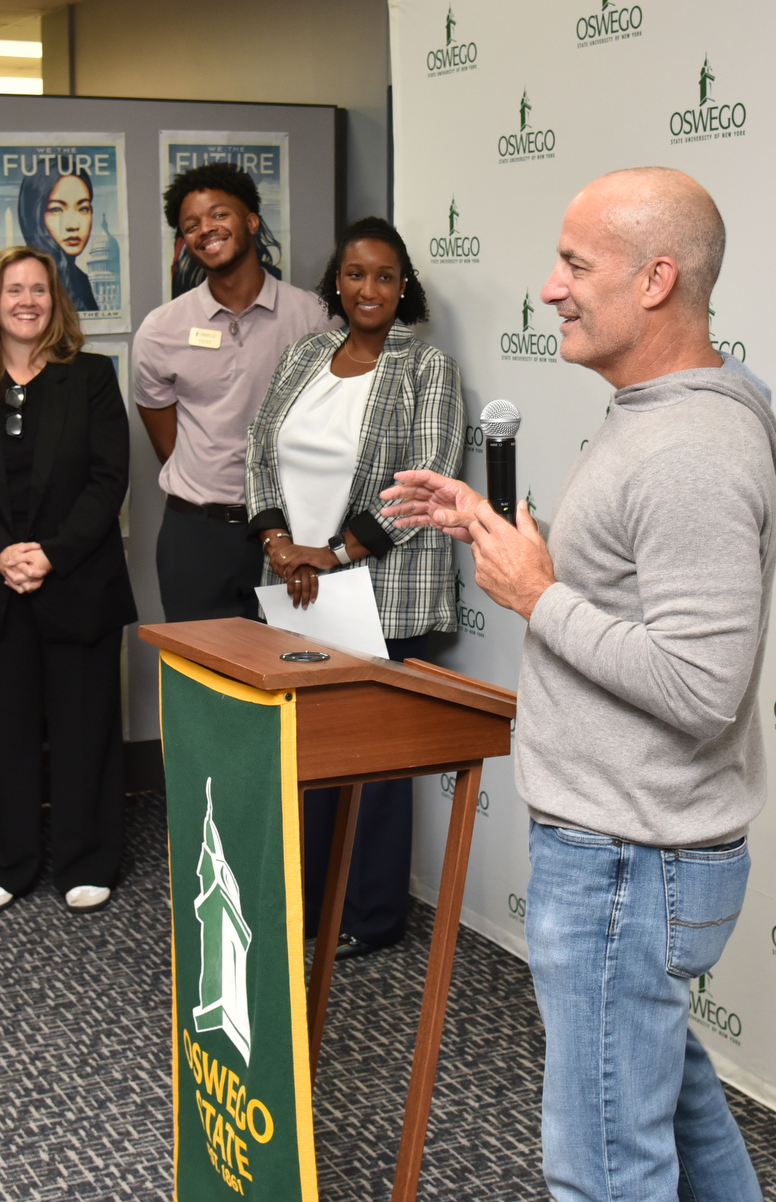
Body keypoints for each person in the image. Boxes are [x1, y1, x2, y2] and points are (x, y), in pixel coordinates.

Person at [381, 168, 776, 1201]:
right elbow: (624, 589)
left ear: (658, 279)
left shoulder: (690, 445)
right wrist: (504, 535)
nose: (550, 286)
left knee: (606, 1171)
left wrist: (536, 595)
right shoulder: (654, 412)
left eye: (576, 263)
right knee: (671, 1110)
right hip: (630, 849)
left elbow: (701, 684)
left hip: (629, 859)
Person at [245, 217, 463, 959]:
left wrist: (331, 553)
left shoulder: (425, 369)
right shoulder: (307, 352)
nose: (368, 289)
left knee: (371, 764)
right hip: (293, 587)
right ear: (335, 282)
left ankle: (370, 915)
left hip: (379, 589)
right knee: (307, 754)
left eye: (385, 277)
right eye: (355, 274)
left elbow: (426, 481)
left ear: (404, 289)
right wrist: (280, 544)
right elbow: (259, 450)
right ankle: (305, 906)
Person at [0, 246, 134, 916]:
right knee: (9, 731)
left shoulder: (94, 378)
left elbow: (109, 480)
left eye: (39, 290)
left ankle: (88, 859)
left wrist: (49, 555)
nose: (28, 301)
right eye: (14, 290)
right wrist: (1, 555)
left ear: (56, 300)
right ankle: (7, 861)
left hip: (77, 581)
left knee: (86, 728)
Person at [134, 162, 335, 622]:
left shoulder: (315, 318)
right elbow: (167, 441)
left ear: (251, 221)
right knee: (200, 682)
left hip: (293, 531)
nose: (206, 229)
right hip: (197, 536)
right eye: (191, 225)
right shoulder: (160, 331)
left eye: (218, 214)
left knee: (288, 676)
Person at [17, 165, 98, 312]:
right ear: (35, 215)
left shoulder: (80, 280)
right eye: (56, 209)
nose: (73, 225)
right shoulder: (33, 279)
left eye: (83, 209)